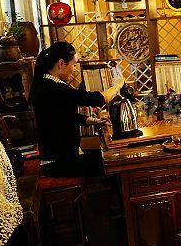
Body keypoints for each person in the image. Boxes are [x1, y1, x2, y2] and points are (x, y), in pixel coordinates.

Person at [29, 42, 123, 177]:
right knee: (115, 162)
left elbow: (63, 115)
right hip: (58, 164)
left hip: (59, 159)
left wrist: (93, 120)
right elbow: (98, 99)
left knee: (108, 157)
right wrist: (118, 85)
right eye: (73, 64)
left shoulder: (47, 85)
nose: (74, 69)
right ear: (61, 63)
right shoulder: (54, 89)